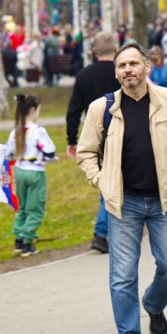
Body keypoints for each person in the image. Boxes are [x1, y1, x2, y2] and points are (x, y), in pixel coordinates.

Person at [76, 42, 167, 334]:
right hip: (123, 204)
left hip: (164, 201)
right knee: (122, 275)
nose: (128, 70)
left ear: (147, 67)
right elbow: (85, 152)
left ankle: (153, 303)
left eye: (133, 64)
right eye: (122, 65)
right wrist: (101, 180)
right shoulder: (102, 108)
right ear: (116, 72)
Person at [65, 31, 120, 253]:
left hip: (98, 135)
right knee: (116, 184)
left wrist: (72, 139)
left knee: (108, 182)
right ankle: (103, 230)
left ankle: (105, 231)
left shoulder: (84, 76)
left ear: (94, 51)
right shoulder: (122, 73)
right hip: (126, 132)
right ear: (116, 50)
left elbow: (73, 111)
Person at [6, 94, 57, 257]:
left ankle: (18, 239)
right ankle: (28, 242)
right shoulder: (38, 131)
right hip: (35, 173)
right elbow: (49, 150)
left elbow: (9, 153)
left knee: (23, 206)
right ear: (33, 110)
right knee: (35, 208)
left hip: (19, 171)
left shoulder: (15, 131)